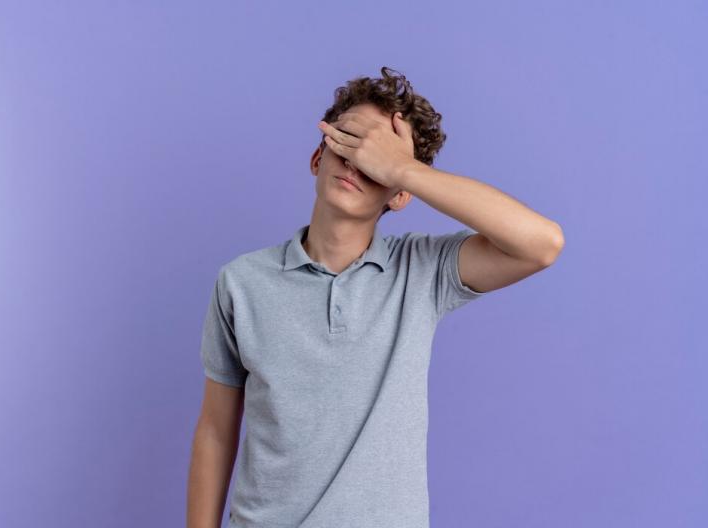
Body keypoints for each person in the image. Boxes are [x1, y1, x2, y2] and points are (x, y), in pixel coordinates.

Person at [187, 66, 565, 528]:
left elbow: (541, 244)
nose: (355, 164)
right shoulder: (241, 282)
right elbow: (215, 431)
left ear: (401, 195)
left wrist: (404, 167)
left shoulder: (421, 272)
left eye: (375, 159)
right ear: (316, 156)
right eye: (347, 142)